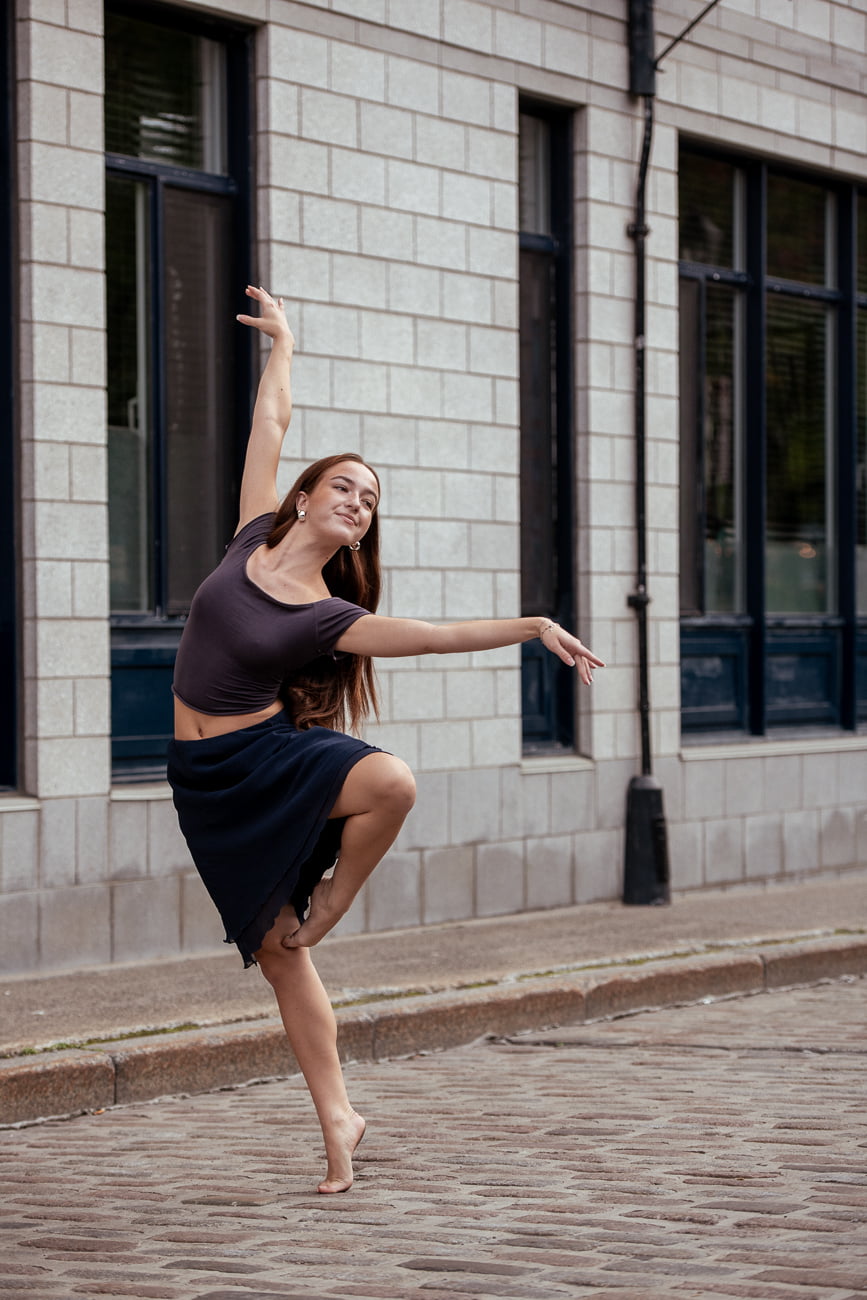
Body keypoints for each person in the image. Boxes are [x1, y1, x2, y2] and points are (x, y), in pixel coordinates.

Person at [166, 285, 605, 1195]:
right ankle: (341, 1118)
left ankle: (332, 902)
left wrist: (532, 625)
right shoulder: (248, 536)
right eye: (345, 487)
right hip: (203, 781)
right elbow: (271, 422)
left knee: (391, 783)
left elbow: (437, 637)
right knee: (277, 957)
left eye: (369, 500)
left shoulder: (331, 617)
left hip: (267, 759)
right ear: (306, 496)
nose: (358, 503)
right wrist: (285, 342)